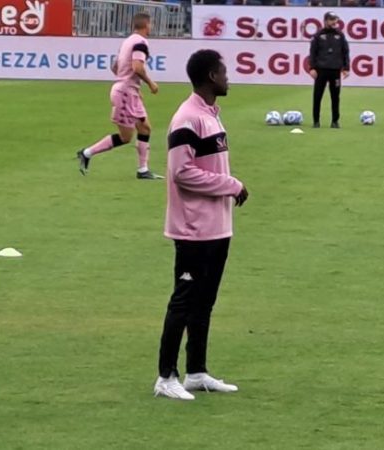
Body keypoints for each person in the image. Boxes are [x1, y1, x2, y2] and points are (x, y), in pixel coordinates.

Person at [154, 50, 249, 400]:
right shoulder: (187, 118)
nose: (228, 78)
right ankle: (166, 376)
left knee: (204, 302)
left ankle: (196, 371)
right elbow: (181, 172)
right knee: (183, 301)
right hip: (193, 228)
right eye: (224, 72)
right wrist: (231, 184)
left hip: (217, 226)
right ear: (211, 76)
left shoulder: (210, 116)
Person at [76, 12, 162, 179]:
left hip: (127, 91)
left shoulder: (127, 42)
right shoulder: (141, 43)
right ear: (146, 25)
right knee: (126, 137)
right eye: (150, 24)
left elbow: (115, 67)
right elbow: (137, 67)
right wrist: (150, 83)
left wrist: (131, 85)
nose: (151, 27)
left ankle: (143, 170)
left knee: (145, 128)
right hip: (125, 93)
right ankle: (87, 153)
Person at [309, 12, 350, 129]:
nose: (334, 22)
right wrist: (312, 68)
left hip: (335, 71)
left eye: (335, 20)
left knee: (335, 97)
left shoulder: (340, 35)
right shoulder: (318, 35)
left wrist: (346, 68)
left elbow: (345, 52)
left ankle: (335, 121)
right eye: (332, 20)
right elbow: (313, 53)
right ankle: (316, 121)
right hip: (321, 70)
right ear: (326, 21)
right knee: (317, 96)